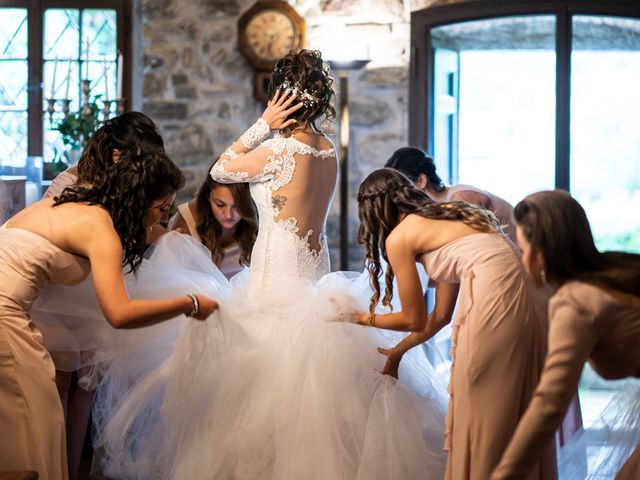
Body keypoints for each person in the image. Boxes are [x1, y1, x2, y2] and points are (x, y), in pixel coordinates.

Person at [94, 49, 449, 480]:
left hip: (274, 283)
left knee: (259, 399)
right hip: (315, 275)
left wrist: (263, 124)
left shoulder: (277, 152)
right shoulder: (327, 151)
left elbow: (221, 169)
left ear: (281, 97)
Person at [0, 149, 218, 480]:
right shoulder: (99, 227)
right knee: (35, 424)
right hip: (5, 316)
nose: (162, 218)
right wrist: (190, 303)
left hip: (13, 310)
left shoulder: (84, 206)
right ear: (137, 200)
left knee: (30, 424)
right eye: (160, 209)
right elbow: (119, 313)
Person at [354, 168, 556, 480]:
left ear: (372, 209)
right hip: (529, 300)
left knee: (482, 401)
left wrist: (361, 318)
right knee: (513, 404)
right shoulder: (450, 213)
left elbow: (413, 318)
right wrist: (397, 352)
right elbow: (441, 316)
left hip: (496, 300)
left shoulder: (400, 237)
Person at [41, 112, 165, 480]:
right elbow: (51, 237)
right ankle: (55, 469)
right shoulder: (72, 182)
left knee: (87, 385)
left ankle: (74, 470)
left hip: (94, 288)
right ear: (116, 155)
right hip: (58, 288)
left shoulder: (125, 184)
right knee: (61, 378)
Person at [490, 190, 640, 480]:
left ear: (541, 250)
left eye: (523, 249)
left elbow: (549, 402)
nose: (522, 260)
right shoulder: (617, 268)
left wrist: (504, 475)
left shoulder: (574, 302)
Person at [385, 147, 516, 242]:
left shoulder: (461, 197)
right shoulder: (439, 208)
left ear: (421, 181)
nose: (400, 197)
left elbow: (476, 246)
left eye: (402, 188)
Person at [168, 170, 257, 279]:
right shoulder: (188, 218)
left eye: (237, 206)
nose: (228, 215)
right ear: (208, 196)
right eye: (220, 205)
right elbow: (175, 276)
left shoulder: (258, 220)